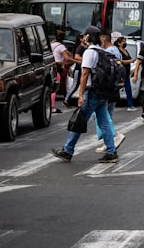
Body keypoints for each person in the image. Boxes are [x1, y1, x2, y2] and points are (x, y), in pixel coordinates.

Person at [51, 27, 120, 164]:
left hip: (92, 91)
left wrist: (81, 95)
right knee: (103, 121)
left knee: (79, 120)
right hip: (103, 92)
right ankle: (111, 152)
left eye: (85, 36)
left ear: (88, 37)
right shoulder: (103, 52)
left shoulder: (90, 52)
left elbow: (84, 73)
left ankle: (68, 150)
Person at [111, 34, 137, 111]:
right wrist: (129, 61)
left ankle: (130, 105)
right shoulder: (117, 51)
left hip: (126, 73)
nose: (124, 43)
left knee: (128, 88)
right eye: (123, 42)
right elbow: (119, 61)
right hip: (120, 72)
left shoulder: (125, 50)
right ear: (119, 43)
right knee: (117, 88)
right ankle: (113, 102)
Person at [50, 30, 68, 113]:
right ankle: (52, 106)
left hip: (50, 66)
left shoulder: (51, 44)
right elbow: (67, 58)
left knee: (51, 86)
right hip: (57, 67)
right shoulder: (61, 47)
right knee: (55, 87)